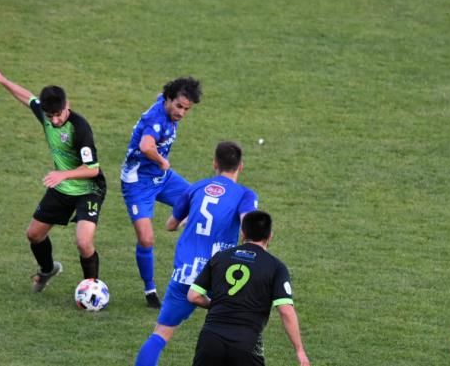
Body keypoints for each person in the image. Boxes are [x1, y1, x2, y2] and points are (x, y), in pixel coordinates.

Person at [135, 141, 258, 366]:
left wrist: (187, 220)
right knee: (237, 335)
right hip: (220, 276)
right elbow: (247, 228)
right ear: (241, 166)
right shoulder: (245, 195)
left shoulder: (195, 188)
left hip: (186, 273)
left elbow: (170, 225)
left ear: (214, 164)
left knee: (160, 335)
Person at [0, 67, 106, 292]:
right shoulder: (46, 115)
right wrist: (1, 79)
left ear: (67, 104)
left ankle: (92, 290)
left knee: (83, 242)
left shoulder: (80, 128)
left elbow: (92, 169)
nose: (56, 120)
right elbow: (26, 96)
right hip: (62, 186)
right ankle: (48, 269)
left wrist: (63, 174)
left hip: (88, 188)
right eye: (51, 116)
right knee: (34, 234)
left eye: (59, 114)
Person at [187, 210, 311, 366]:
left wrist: (218, 305)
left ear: (243, 234)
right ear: (270, 236)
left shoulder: (220, 257)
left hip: (210, 338)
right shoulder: (276, 267)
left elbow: (193, 296)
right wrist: (299, 350)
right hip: (246, 342)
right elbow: (286, 310)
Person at [121, 77, 202, 308]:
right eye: (179, 106)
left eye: (187, 109)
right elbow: (146, 146)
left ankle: (179, 222)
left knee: (199, 198)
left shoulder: (165, 101)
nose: (182, 113)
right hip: (138, 182)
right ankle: (150, 290)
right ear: (168, 100)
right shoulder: (156, 120)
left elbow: (165, 92)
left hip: (161, 178)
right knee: (146, 239)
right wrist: (161, 160)